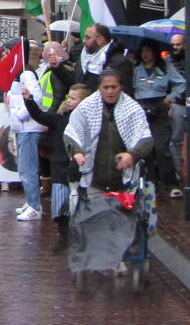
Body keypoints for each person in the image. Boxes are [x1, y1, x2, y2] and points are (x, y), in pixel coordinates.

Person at [64, 69, 153, 272]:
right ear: (99, 88)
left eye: (114, 87)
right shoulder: (87, 108)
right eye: (106, 87)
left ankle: (116, 256)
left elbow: (145, 137)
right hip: (95, 175)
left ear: (121, 87)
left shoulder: (132, 109)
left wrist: (133, 154)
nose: (111, 91)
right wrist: (76, 151)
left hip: (123, 178)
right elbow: (72, 132)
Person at [25, 83, 90, 251]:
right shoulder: (61, 118)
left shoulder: (89, 120)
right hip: (60, 166)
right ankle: (63, 237)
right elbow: (40, 116)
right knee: (60, 205)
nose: (68, 101)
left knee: (82, 204)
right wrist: (29, 100)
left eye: (73, 98)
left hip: (82, 167)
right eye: (68, 97)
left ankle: (82, 237)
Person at [132, 38, 185, 197]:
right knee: (146, 148)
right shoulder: (136, 69)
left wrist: (170, 98)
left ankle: (171, 184)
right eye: (142, 51)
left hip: (159, 105)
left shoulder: (165, 67)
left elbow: (182, 83)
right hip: (141, 106)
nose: (145, 54)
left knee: (162, 146)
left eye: (148, 51)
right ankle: (150, 183)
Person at [7, 64, 46, 221]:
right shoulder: (20, 77)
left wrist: (19, 115)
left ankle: (34, 206)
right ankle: (31, 201)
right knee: (25, 168)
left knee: (27, 168)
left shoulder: (27, 74)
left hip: (28, 129)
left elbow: (36, 98)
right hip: (23, 129)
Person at [74, 24, 133, 94]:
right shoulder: (84, 58)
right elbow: (75, 81)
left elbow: (125, 91)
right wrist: (59, 67)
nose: (84, 41)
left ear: (100, 40)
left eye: (88, 38)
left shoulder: (119, 62)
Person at [167, 33, 188, 183]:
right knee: (176, 138)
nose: (175, 47)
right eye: (173, 44)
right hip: (177, 104)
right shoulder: (167, 62)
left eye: (178, 44)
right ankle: (176, 171)